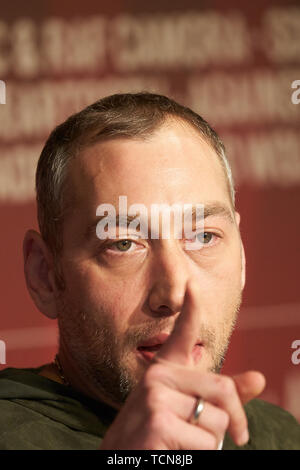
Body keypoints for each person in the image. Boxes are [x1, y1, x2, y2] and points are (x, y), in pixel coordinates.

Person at [0, 92, 299, 450]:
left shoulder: (274, 436)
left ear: (243, 257)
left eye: (204, 236)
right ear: (44, 275)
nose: (174, 294)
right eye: (123, 244)